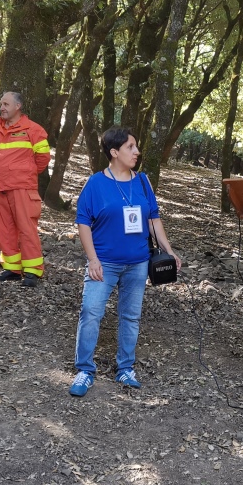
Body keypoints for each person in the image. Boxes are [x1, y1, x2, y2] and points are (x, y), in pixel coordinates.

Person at [69, 127, 178, 397]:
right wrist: (92, 259)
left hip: (139, 263)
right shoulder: (95, 183)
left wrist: (169, 250)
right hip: (103, 263)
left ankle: (125, 368)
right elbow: (83, 222)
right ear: (114, 152)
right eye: (131, 147)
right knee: (91, 312)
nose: (137, 152)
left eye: (136, 146)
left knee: (130, 316)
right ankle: (85, 369)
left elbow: (153, 219)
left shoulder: (142, 182)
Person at [0, 92, 50, 287]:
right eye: (1, 104)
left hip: (22, 188)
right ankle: (12, 268)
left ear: (18, 106)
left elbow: (43, 159)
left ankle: (32, 271)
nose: (2, 107)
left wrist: (23, 173)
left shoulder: (34, 129)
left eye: (6, 104)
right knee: (3, 230)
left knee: (26, 228)